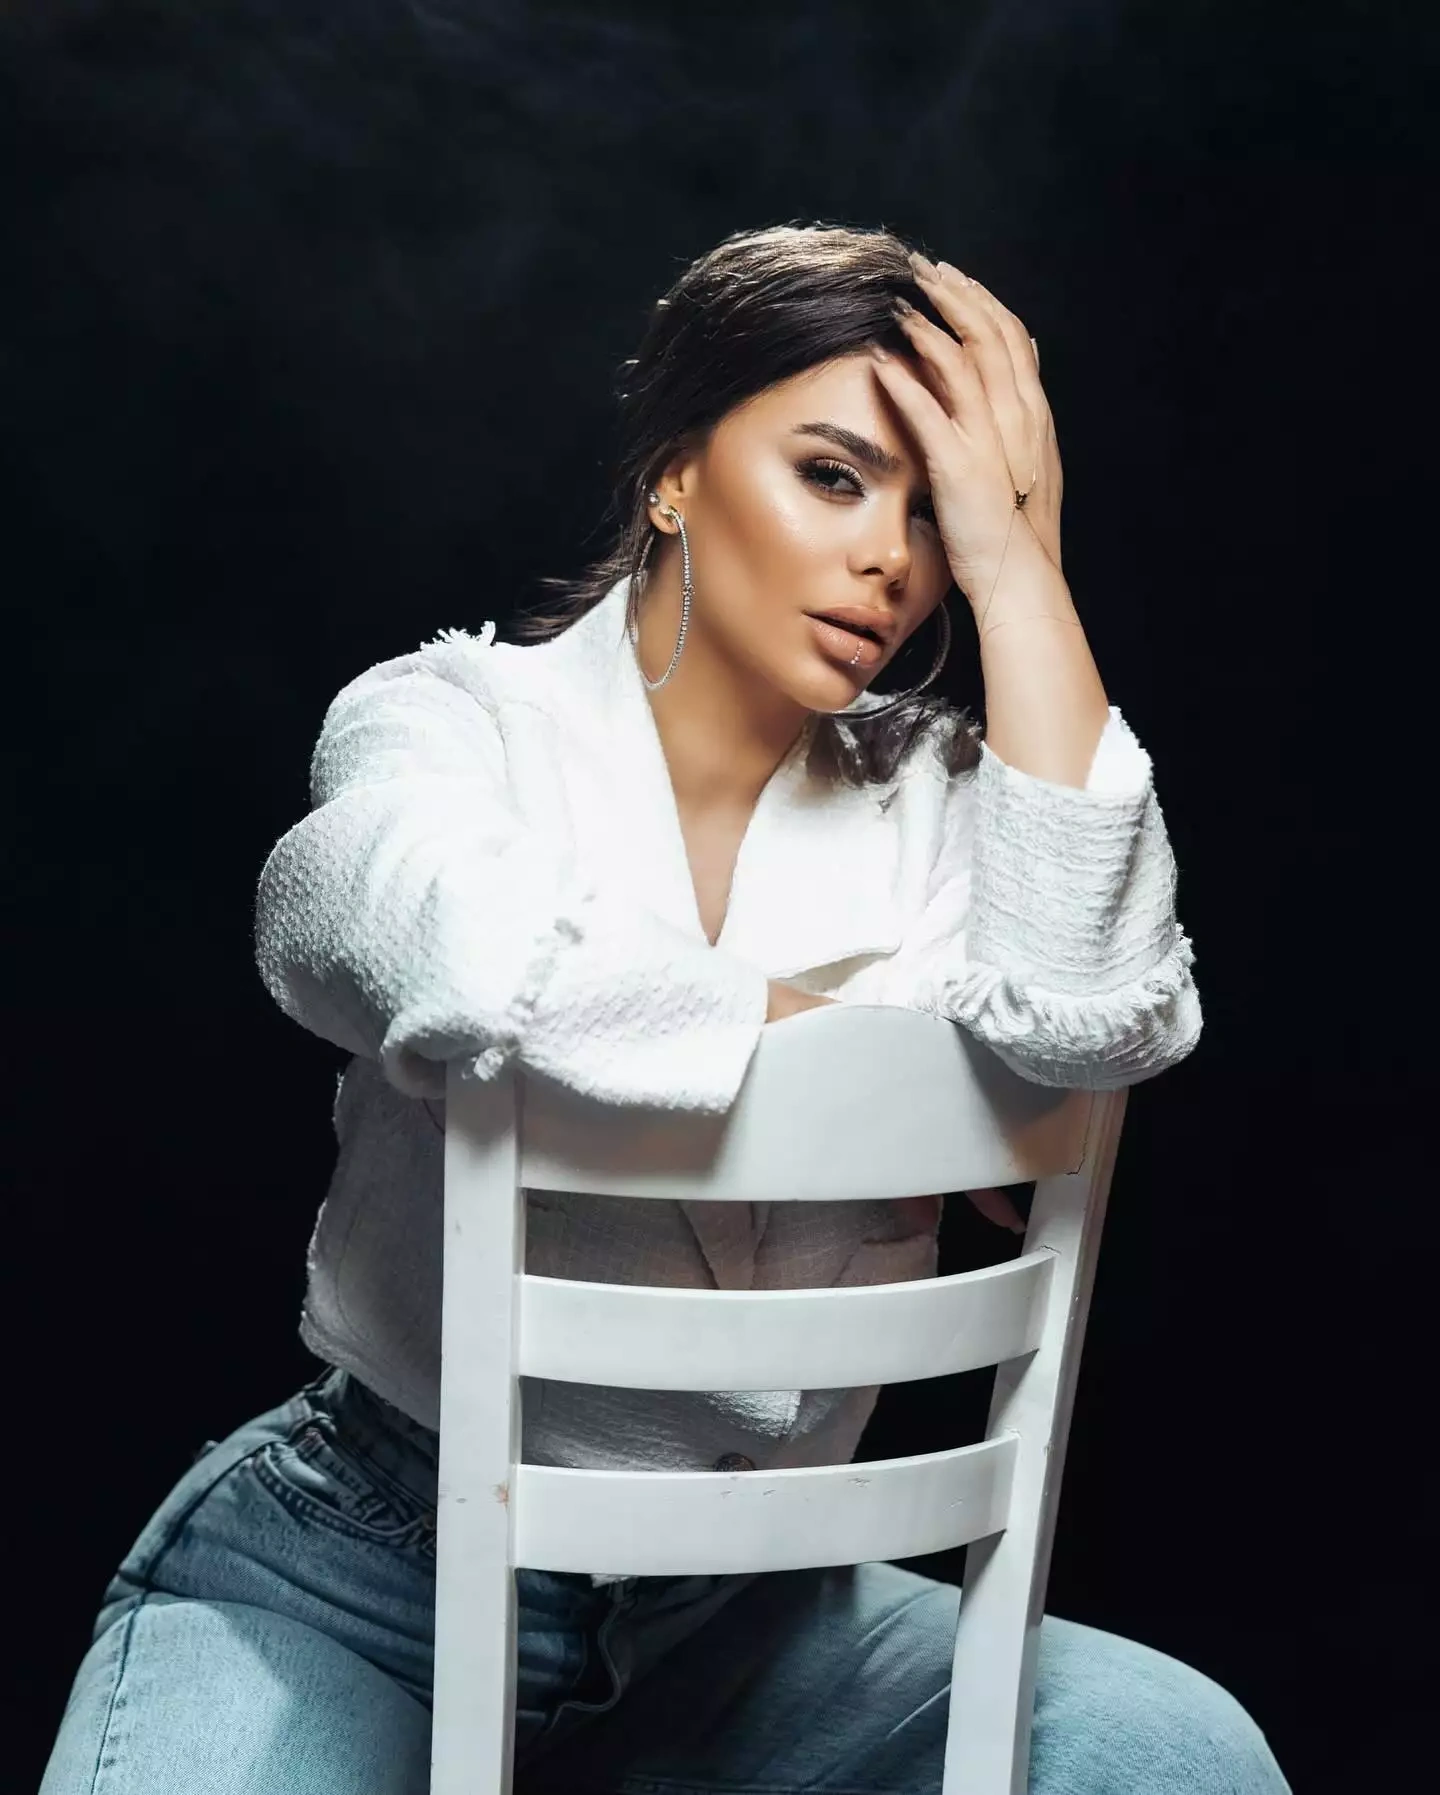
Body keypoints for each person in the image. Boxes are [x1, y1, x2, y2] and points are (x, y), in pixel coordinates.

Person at [39, 223, 1289, 1794]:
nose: (893, 560)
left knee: (1174, 1751)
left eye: (937, 511)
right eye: (833, 476)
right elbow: (442, 948)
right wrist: (884, 1062)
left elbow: (1096, 1024)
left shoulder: (947, 799)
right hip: (367, 1572)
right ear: (676, 473)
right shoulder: (454, 719)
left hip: (749, 1621)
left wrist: (1022, 565)